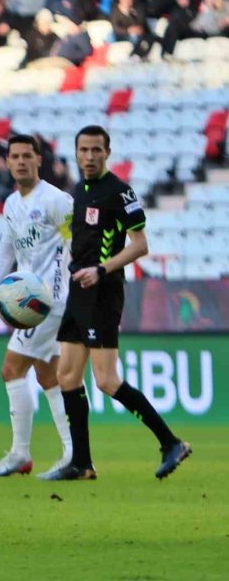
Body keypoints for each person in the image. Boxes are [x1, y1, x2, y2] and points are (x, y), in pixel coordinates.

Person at [45, 125, 191, 481]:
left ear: (107, 153)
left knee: (107, 381)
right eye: (84, 150)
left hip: (104, 293)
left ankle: (171, 442)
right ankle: (81, 463)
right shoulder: (79, 190)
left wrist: (102, 269)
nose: (90, 156)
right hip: (79, 293)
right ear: (76, 152)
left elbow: (140, 245)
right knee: (66, 375)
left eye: (97, 150)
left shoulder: (120, 192)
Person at [0, 135, 74, 480]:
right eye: (14, 156)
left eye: (26, 156)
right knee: (50, 376)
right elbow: (6, 252)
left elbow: (78, 242)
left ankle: (20, 454)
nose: (20, 162)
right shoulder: (13, 204)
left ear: (38, 160)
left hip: (48, 302)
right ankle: (73, 452)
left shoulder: (57, 201)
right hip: (34, 301)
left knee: (11, 369)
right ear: (7, 161)